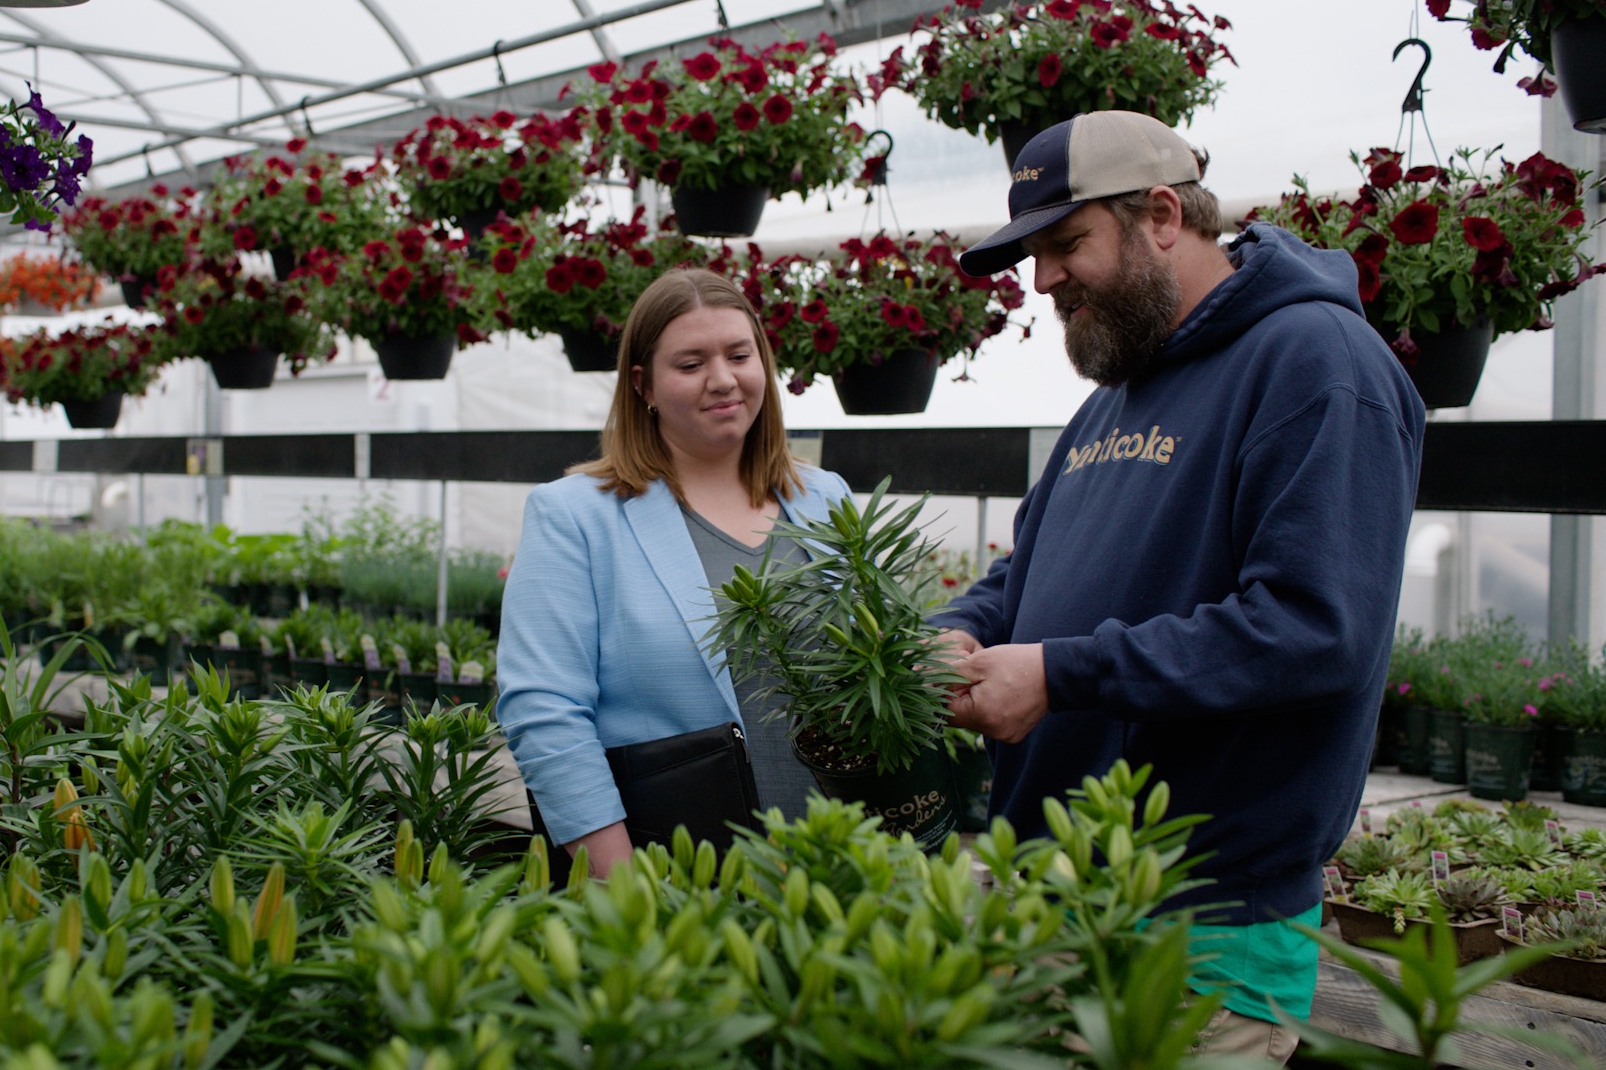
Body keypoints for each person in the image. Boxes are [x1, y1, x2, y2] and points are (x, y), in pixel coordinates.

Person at [935, 111, 1425, 1061]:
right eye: (1034, 255)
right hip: (1052, 901)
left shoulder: (1316, 362)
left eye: (1066, 243)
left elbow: (1313, 627)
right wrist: (957, 630)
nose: (1043, 280)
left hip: (1203, 929)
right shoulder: (1115, 396)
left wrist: (1059, 675)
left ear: (1162, 215)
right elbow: (1026, 573)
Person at [497, 268, 851, 878]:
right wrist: (625, 888)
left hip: (838, 863)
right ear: (644, 385)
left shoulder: (822, 497)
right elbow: (544, 709)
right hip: (678, 876)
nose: (723, 379)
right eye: (690, 364)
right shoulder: (575, 516)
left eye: (739, 355)